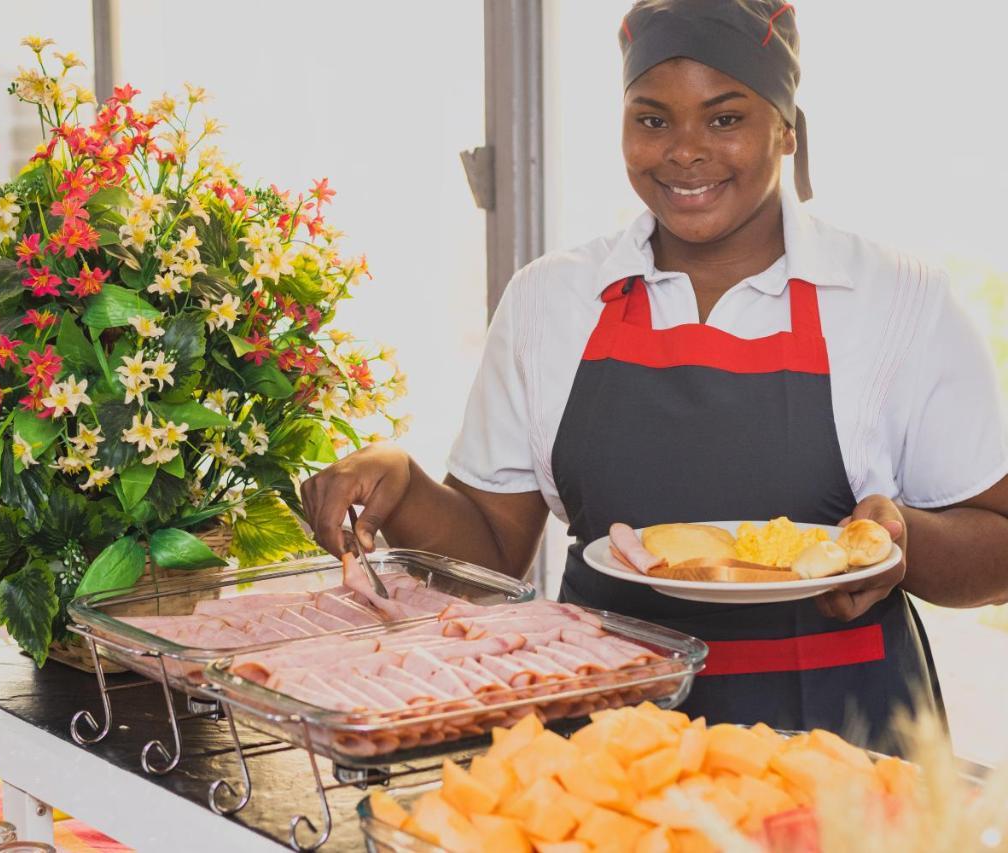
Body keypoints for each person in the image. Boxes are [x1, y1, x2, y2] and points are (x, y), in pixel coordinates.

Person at [299, 0, 1008, 749]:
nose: (684, 151)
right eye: (652, 119)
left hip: (846, 746)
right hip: (609, 743)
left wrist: (900, 542)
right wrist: (402, 480)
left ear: (787, 127)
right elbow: (493, 552)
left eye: (725, 118)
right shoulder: (551, 300)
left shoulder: (896, 299)